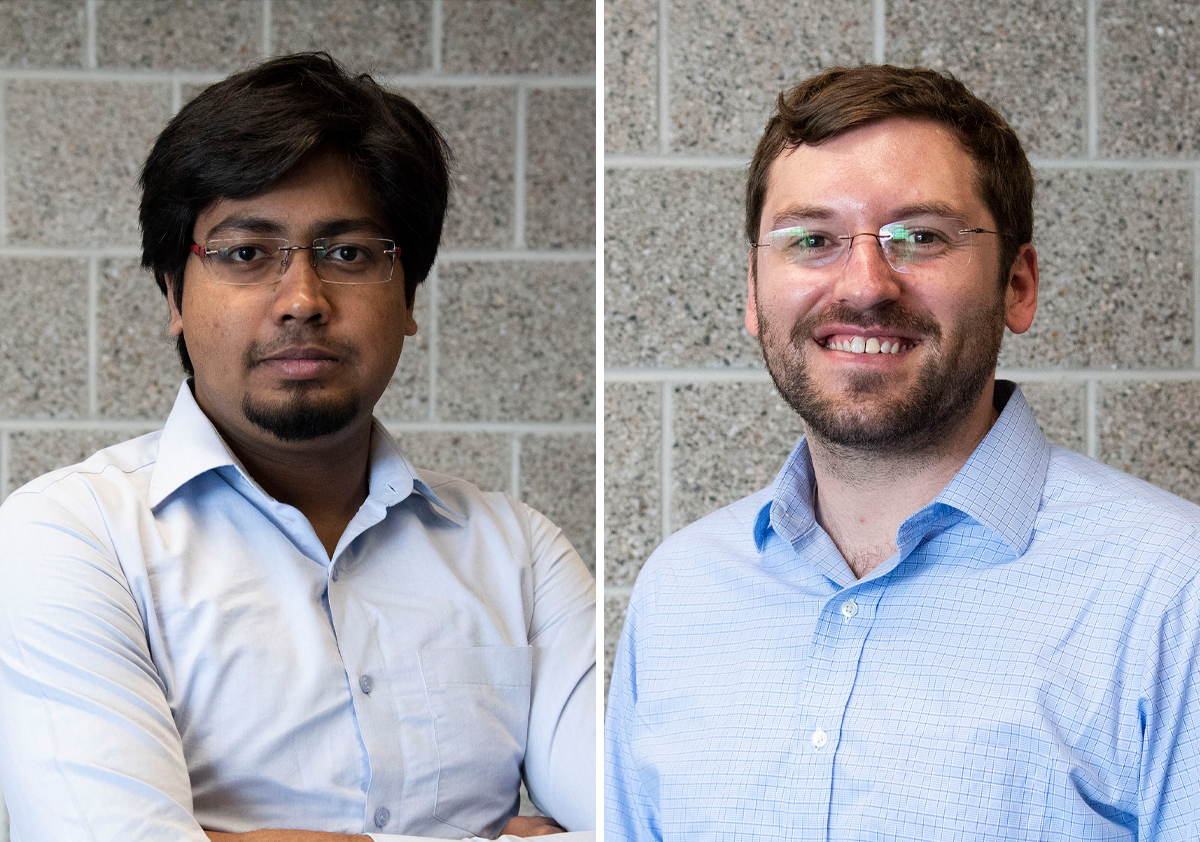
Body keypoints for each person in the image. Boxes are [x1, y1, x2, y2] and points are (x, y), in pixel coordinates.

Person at [0, 53, 595, 842]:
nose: (303, 300)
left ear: (408, 293)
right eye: (247, 253)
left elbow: (646, 822)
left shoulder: (519, 554)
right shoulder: (68, 536)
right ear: (175, 295)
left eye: (348, 253)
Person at [605, 64, 1200, 840]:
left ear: (1017, 285)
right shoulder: (680, 592)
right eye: (812, 239)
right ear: (754, 293)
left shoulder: (1171, 591)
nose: (864, 285)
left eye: (919, 236)